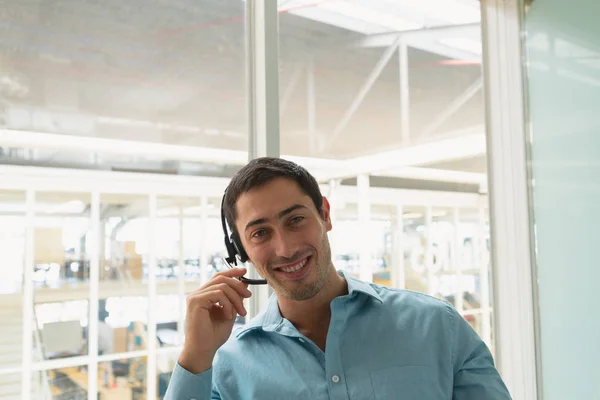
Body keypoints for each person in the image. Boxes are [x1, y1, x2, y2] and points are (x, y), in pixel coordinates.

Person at [165, 157, 512, 399]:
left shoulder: (436, 326)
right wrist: (196, 354)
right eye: (260, 233)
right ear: (241, 249)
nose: (285, 248)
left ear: (324, 214)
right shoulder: (227, 366)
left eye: (295, 220)